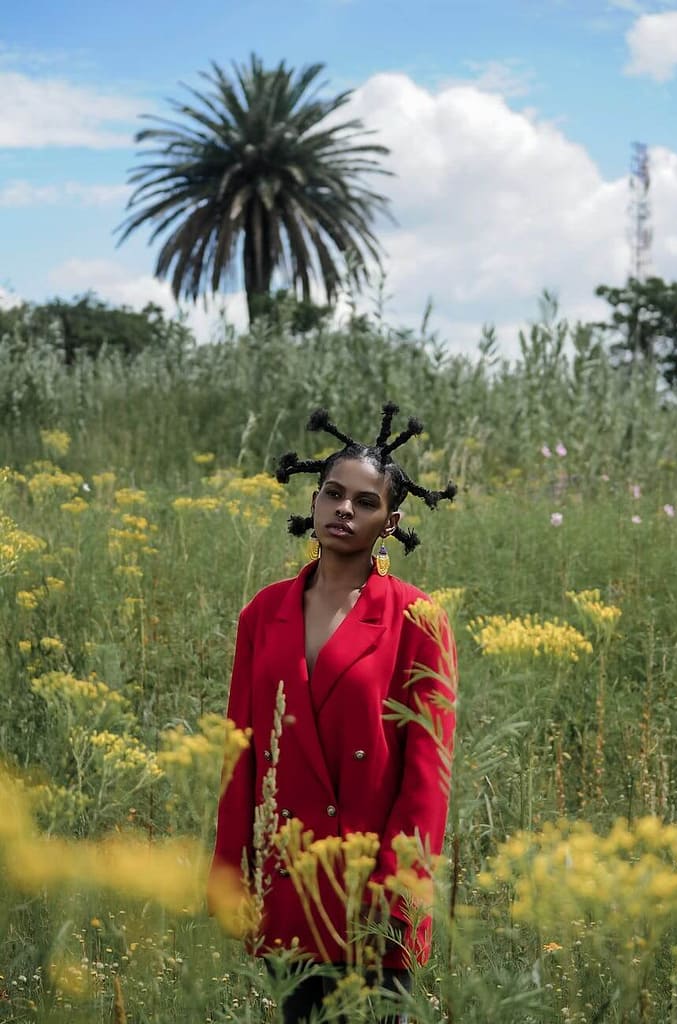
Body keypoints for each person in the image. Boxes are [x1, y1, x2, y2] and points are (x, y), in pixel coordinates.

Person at [209, 403, 458, 1023]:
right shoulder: (261, 614)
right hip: (289, 881)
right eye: (332, 494)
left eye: (365, 502)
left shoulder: (416, 618)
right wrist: (228, 872)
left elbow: (428, 774)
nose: (344, 509)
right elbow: (240, 753)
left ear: (390, 521)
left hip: (371, 888)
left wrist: (397, 890)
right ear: (314, 501)